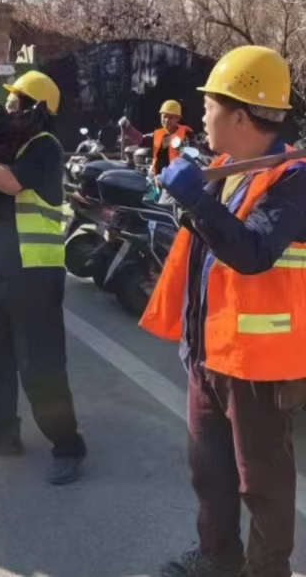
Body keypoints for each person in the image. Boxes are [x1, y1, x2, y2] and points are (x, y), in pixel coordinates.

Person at [142, 45, 306, 577]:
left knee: (263, 484)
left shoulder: (293, 178)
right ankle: (218, 558)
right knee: (208, 470)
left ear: (240, 115)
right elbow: (212, 246)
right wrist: (190, 207)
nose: (202, 114)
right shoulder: (226, 168)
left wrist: (197, 203)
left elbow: (253, 252)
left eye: (210, 104)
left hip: (256, 366)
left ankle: (266, 571)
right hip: (208, 353)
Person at [0, 70, 88, 486]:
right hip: (1, 273)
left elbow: (9, 184)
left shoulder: (43, 148)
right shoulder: (9, 148)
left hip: (35, 274)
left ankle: (68, 447)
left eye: (14, 104)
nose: (7, 110)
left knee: (41, 367)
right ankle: (3, 435)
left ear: (35, 108)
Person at [121, 99, 195, 177]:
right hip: (158, 179)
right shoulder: (158, 134)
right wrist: (128, 127)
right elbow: (141, 140)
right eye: (164, 116)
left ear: (178, 118)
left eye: (170, 118)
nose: (166, 120)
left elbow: (194, 158)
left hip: (178, 180)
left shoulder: (186, 135)